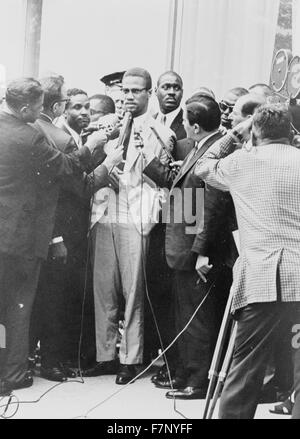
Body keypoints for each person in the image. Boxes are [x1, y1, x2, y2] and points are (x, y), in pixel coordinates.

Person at [194, 104, 300, 419]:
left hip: (261, 280)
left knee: (246, 367)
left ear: (254, 132)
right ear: (290, 132)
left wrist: (235, 133)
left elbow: (203, 164)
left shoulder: (243, 162)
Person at [0, 77, 105, 395]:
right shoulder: (29, 138)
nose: (41, 111)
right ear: (22, 107)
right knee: (19, 306)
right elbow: (68, 168)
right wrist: (97, 147)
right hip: (19, 238)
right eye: (36, 107)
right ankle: (16, 373)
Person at [84, 67, 175, 385]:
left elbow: (166, 177)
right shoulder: (108, 126)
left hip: (134, 217)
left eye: (136, 91)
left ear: (148, 94)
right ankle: (105, 355)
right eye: (125, 91)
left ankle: (131, 358)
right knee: (103, 289)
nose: (129, 96)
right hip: (104, 214)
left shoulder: (159, 131)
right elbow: (90, 161)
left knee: (133, 290)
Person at [30, 76, 123, 382]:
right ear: (61, 107)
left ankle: (54, 357)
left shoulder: (69, 135)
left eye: (88, 108)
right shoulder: (63, 139)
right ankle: (55, 361)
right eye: (78, 106)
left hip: (64, 231)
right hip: (65, 232)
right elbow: (79, 188)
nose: (85, 113)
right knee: (58, 297)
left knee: (60, 296)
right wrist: (107, 165)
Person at [144, 95, 235, 399]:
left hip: (196, 252)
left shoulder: (213, 152)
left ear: (195, 126)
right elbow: (188, 198)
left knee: (197, 318)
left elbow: (211, 206)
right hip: (185, 247)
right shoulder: (202, 146)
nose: (182, 126)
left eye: (184, 122)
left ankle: (198, 381)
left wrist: (201, 251)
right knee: (187, 316)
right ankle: (188, 372)